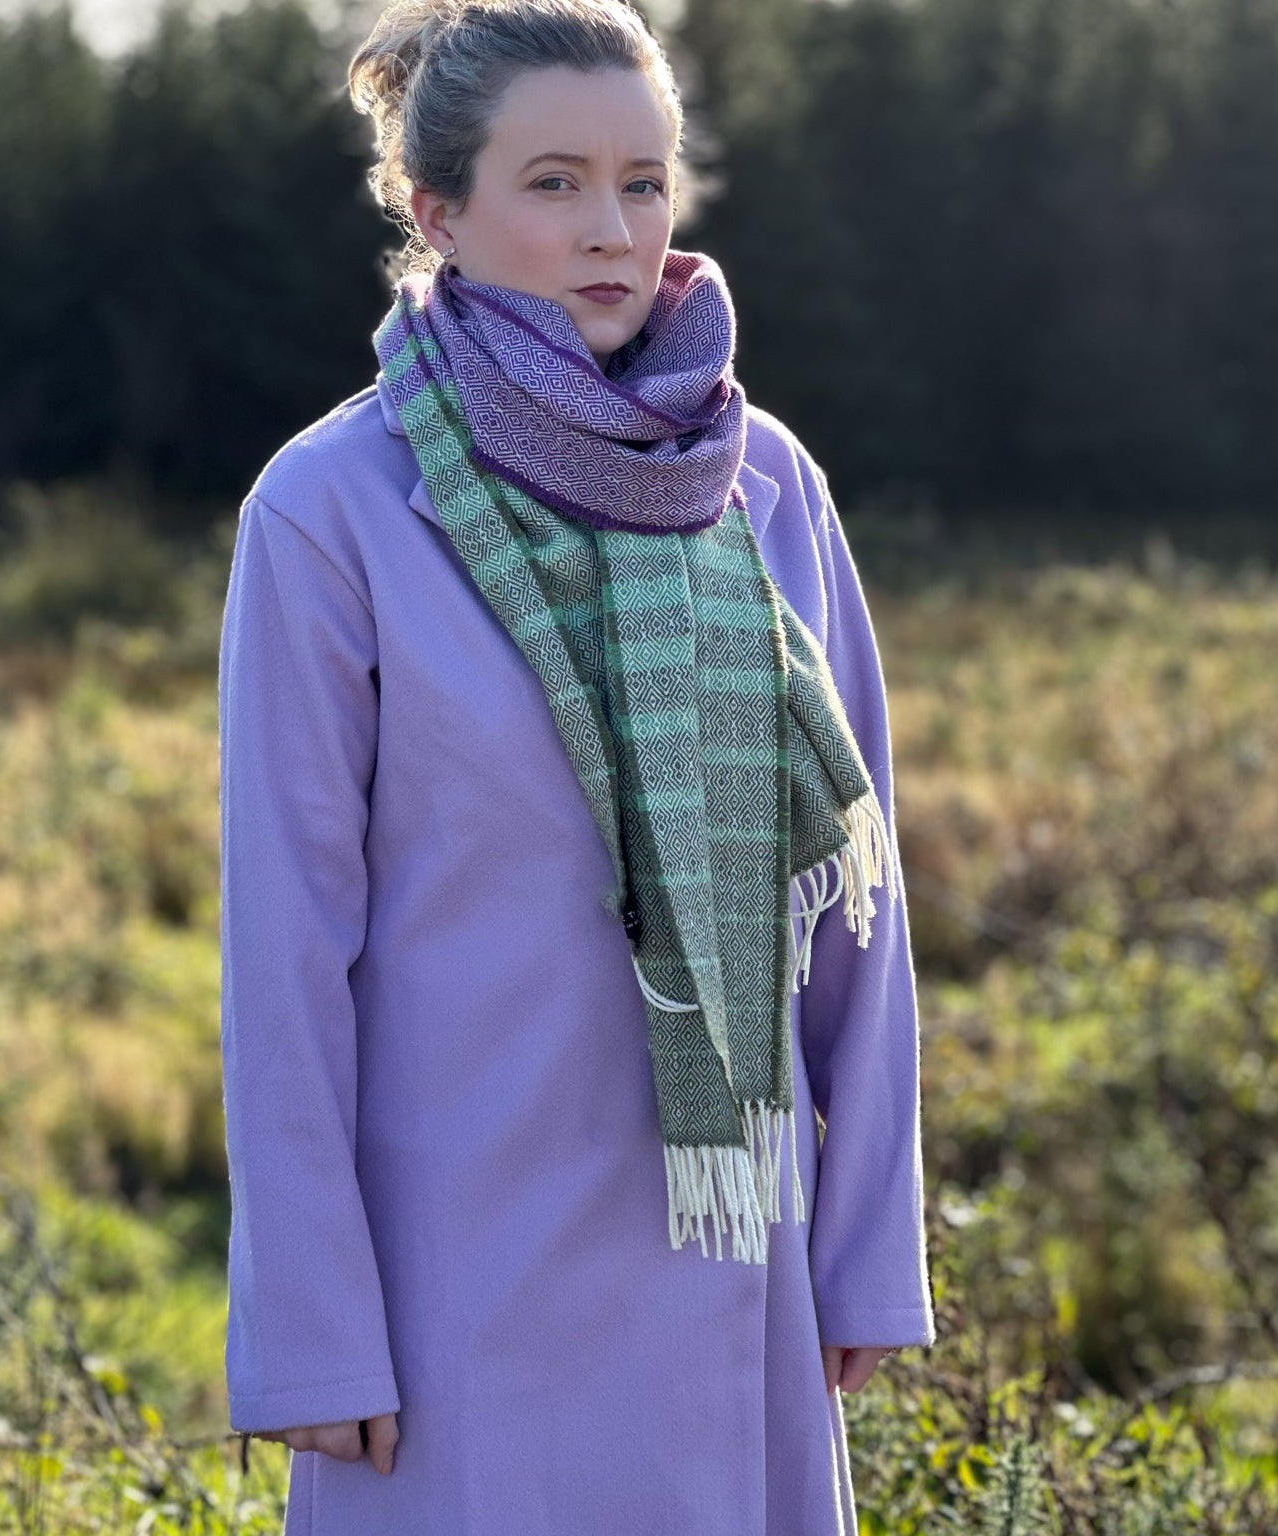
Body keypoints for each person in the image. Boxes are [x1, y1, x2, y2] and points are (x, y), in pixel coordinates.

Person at [217, 0, 935, 1530]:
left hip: (737, 1269)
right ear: (439, 210)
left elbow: (861, 911)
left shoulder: (769, 488)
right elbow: (284, 957)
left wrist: (870, 1246)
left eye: (644, 180)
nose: (613, 229)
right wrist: (313, 1327)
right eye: (553, 184)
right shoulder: (334, 507)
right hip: (453, 1287)